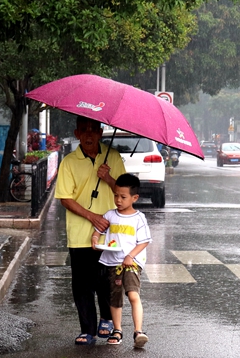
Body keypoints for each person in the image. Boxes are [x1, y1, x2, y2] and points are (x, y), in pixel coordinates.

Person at [55, 117, 126, 346]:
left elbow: (124, 191)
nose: (88, 134)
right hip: (79, 233)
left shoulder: (112, 157)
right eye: (84, 130)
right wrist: (92, 216)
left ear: (100, 132)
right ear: (77, 133)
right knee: (82, 283)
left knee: (106, 280)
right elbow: (65, 198)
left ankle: (106, 318)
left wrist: (107, 177)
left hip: (110, 233)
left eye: (93, 130)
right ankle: (87, 329)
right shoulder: (68, 162)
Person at [92, 173, 152, 348]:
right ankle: (117, 330)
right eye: (116, 195)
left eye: (123, 197)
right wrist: (95, 238)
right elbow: (99, 230)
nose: (118, 200)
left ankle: (138, 331)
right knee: (115, 297)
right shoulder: (110, 215)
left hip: (131, 263)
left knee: (133, 295)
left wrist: (130, 256)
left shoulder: (138, 218)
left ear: (134, 198)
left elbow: (144, 241)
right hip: (113, 263)